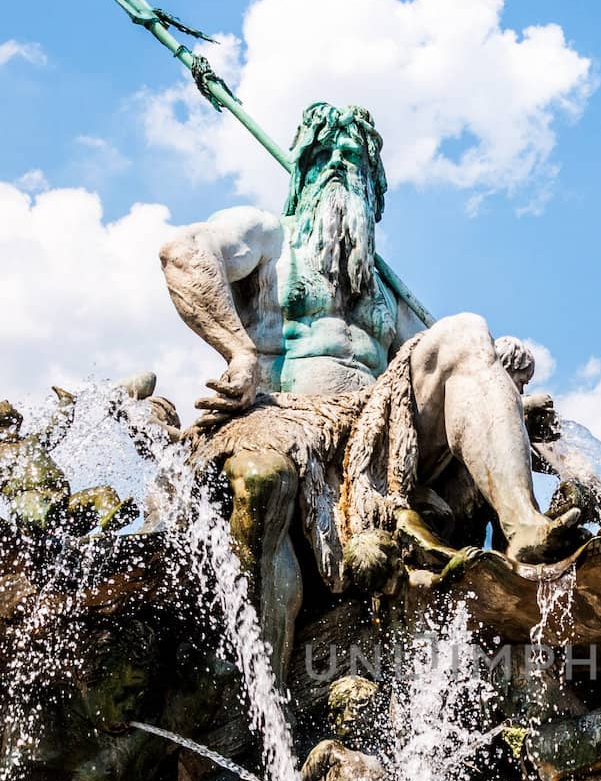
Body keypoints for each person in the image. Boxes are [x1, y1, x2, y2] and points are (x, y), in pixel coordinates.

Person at [159, 102, 578, 673]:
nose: (337, 165)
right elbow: (183, 252)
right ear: (300, 174)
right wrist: (239, 349)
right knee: (265, 483)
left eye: (353, 161)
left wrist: (500, 365)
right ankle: (261, 685)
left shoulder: (385, 292)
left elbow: (450, 371)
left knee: (466, 331)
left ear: (374, 192)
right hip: (284, 416)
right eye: (323, 156)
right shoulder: (267, 235)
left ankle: (525, 529)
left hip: (372, 439)